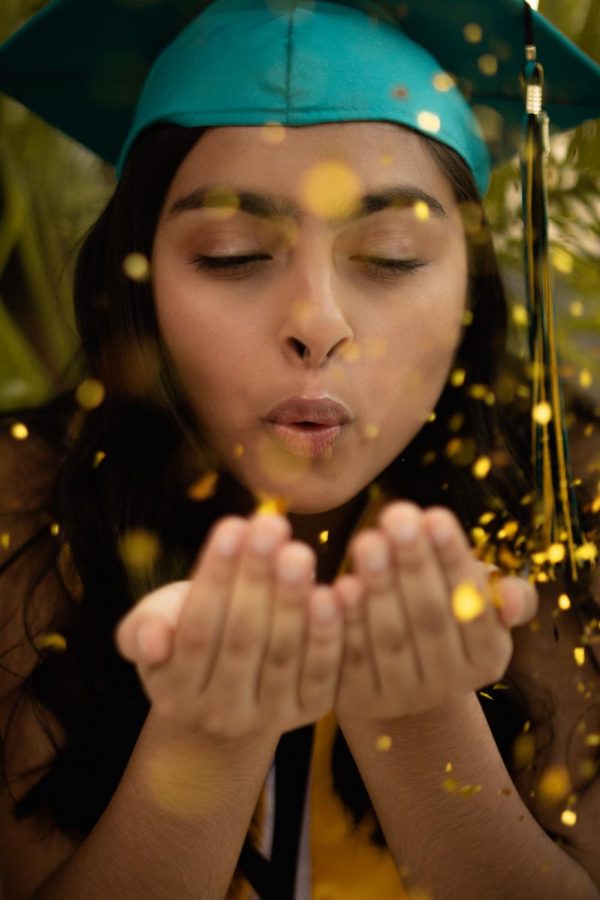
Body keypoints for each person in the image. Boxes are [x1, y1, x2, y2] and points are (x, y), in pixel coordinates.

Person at [0, 1, 599, 898]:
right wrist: (204, 744)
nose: (318, 323)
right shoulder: (24, 502)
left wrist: (426, 733)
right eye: (234, 254)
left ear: (472, 287)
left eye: (393, 255)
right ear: (138, 286)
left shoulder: (566, 497)